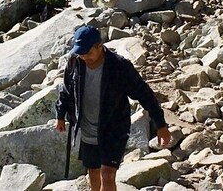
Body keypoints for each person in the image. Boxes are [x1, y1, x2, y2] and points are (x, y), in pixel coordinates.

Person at [55, 25, 172, 191]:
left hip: (113, 129)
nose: (84, 57)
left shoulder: (119, 66)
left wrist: (161, 125)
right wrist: (60, 115)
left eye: (88, 53)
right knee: (93, 173)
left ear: (100, 46)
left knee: (108, 176)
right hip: (87, 128)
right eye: (81, 53)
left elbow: (144, 94)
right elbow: (66, 89)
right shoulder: (75, 61)